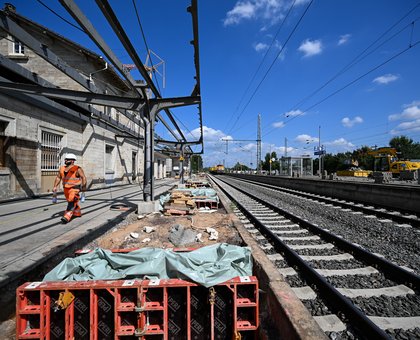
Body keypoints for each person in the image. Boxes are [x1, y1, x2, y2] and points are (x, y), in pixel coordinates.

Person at [53, 153, 87, 223]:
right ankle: (77, 212)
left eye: (67, 159)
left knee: (72, 200)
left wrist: (84, 188)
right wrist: (55, 186)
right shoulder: (62, 168)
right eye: (65, 159)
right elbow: (58, 177)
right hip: (66, 189)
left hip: (75, 188)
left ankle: (67, 216)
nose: (65, 160)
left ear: (72, 161)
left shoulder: (77, 169)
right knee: (71, 201)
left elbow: (83, 177)